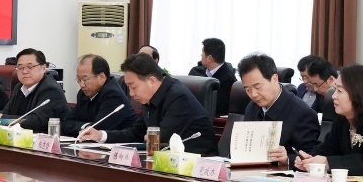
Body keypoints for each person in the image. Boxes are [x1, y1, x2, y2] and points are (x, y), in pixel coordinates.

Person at [79, 54, 216, 155]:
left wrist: (149, 138)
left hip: (199, 165)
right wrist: (100, 135)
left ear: (151, 81)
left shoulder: (178, 98)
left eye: (133, 87)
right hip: (166, 160)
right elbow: (136, 133)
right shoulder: (150, 96)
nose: (131, 93)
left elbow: (160, 140)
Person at [229, 53, 319, 164]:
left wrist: (287, 159)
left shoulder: (303, 113)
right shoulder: (251, 107)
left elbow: (311, 157)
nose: (253, 94)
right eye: (247, 89)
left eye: (258, 87)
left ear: (275, 79)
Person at [0, 48, 69, 130]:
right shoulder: (19, 87)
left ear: (43, 68)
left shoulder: (51, 90)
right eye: (20, 68)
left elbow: (37, 121)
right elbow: (7, 112)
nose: (24, 71)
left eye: (30, 67)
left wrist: (2, 118)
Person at [60, 54, 133, 136]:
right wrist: (87, 126)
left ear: (101, 77)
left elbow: (98, 129)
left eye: (85, 79)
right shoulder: (83, 94)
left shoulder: (113, 95)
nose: (81, 85)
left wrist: (83, 126)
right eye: (79, 79)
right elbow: (66, 123)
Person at [191, 38, 237, 116]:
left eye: (202, 52)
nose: (201, 55)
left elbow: (218, 107)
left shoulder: (228, 80)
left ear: (209, 58)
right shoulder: (196, 71)